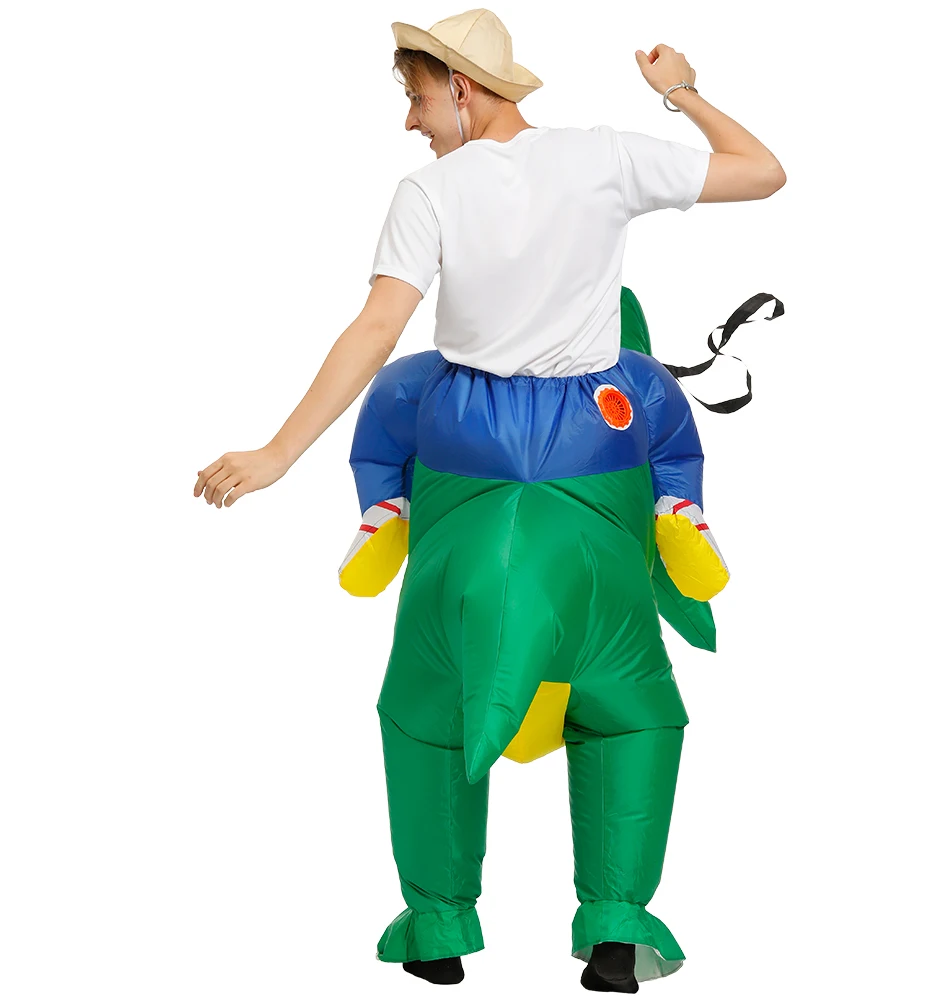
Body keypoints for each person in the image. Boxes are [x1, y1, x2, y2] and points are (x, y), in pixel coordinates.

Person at [193, 8, 785, 992]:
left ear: (462, 90)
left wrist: (278, 453)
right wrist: (678, 90)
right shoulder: (605, 156)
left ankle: (436, 922)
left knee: (425, 699)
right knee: (628, 699)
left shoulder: (429, 192)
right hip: (593, 453)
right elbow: (761, 172)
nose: (412, 122)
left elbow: (377, 331)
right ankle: (617, 923)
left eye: (417, 98)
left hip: (465, 450)